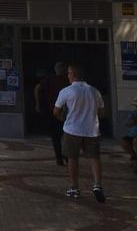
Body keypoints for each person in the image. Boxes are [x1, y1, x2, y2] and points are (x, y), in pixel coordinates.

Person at [53, 63, 105, 202]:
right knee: (94, 158)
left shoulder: (67, 91)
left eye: (69, 73)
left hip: (72, 129)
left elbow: (56, 111)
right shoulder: (94, 91)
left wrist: (63, 119)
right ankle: (97, 184)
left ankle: (74, 187)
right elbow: (101, 111)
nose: (68, 75)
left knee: (72, 158)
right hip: (92, 130)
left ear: (73, 74)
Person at [34, 62, 69, 166]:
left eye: (62, 68)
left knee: (64, 134)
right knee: (57, 135)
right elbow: (37, 88)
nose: (60, 70)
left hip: (66, 111)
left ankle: (65, 154)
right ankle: (61, 156)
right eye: (59, 68)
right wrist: (38, 103)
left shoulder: (67, 79)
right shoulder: (51, 79)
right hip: (55, 110)